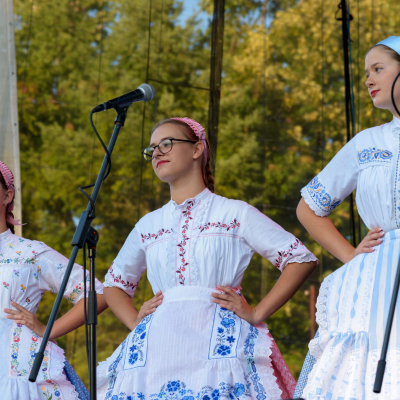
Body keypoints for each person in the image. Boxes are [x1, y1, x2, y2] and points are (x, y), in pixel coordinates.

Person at [97, 117, 318, 399]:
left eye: (166, 143)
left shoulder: (234, 213)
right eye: (151, 149)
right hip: (157, 351)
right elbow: (114, 284)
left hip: (219, 349)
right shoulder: (148, 225)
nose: (156, 153)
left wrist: (257, 312)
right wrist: (134, 322)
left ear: (197, 149)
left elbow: (300, 258)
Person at [294, 36, 400, 399]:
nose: (368, 80)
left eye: (378, 69)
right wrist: (353, 257)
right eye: (366, 72)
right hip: (375, 282)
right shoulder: (367, 143)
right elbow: (309, 207)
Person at [0, 160, 108, 399]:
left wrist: (48, 330)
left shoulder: (29, 254)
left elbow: (97, 293)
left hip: (20, 378)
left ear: (7, 196)